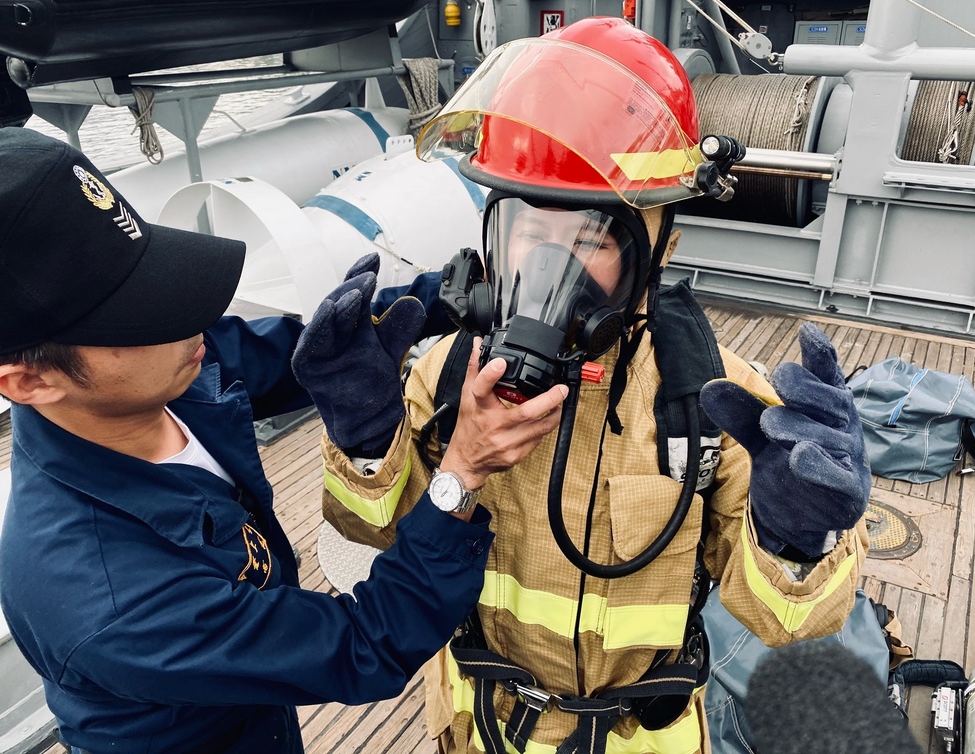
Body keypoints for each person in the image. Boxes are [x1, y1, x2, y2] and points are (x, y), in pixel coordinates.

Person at [292, 17, 872, 754]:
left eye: (593, 238)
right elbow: (368, 531)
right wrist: (369, 439)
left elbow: (785, 623)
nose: (547, 268)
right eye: (528, 231)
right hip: (480, 727)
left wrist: (798, 541)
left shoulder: (719, 401)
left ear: (659, 249)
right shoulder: (447, 377)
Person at [0, 127, 566, 754]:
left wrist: (450, 300)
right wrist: (460, 473)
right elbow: (364, 644)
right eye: (145, 311)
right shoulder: (108, 600)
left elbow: (292, 354)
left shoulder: (141, 380)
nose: (193, 319)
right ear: (31, 379)